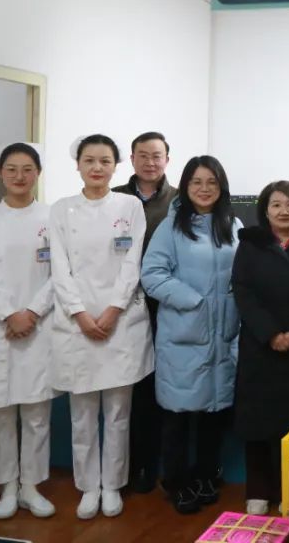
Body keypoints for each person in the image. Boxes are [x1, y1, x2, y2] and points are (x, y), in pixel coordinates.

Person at [50, 134, 154, 520]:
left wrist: (112, 310)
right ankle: (87, 487)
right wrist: (80, 313)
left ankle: (111, 485)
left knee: (118, 413)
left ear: (116, 165)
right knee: (81, 415)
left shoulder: (130, 206)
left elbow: (132, 262)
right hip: (76, 324)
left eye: (105, 161)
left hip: (120, 323)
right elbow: (59, 266)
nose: (97, 167)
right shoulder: (61, 209)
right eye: (89, 160)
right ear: (77, 164)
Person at [141, 155, 241, 515]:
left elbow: (242, 274)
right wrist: (194, 301)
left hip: (224, 335)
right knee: (179, 416)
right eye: (196, 182)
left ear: (221, 187)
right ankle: (176, 481)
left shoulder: (232, 224)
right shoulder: (171, 227)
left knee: (214, 413)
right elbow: (152, 275)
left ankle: (206, 475)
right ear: (185, 186)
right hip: (184, 334)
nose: (204, 189)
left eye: (211, 182)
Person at [0, 143, 56, 519]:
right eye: (12, 169)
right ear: (0, 173)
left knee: (36, 413)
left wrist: (31, 312)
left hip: (38, 325)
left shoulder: (52, 218)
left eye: (27, 168)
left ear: (38, 173)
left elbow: (61, 273)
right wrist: (8, 314)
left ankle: (31, 486)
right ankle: (6, 486)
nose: (20, 176)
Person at [232, 180, 289, 515]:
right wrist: (271, 333)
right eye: (276, 205)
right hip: (260, 347)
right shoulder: (250, 245)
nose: (284, 211)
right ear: (265, 210)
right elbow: (243, 291)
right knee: (258, 423)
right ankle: (258, 490)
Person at [113, 131, 177, 494]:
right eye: (143, 155)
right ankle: (124, 468)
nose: (150, 162)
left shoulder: (180, 201)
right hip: (118, 306)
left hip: (162, 305)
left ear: (167, 159)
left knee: (156, 389)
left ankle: (150, 468)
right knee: (126, 392)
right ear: (132, 159)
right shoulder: (115, 198)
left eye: (157, 155)